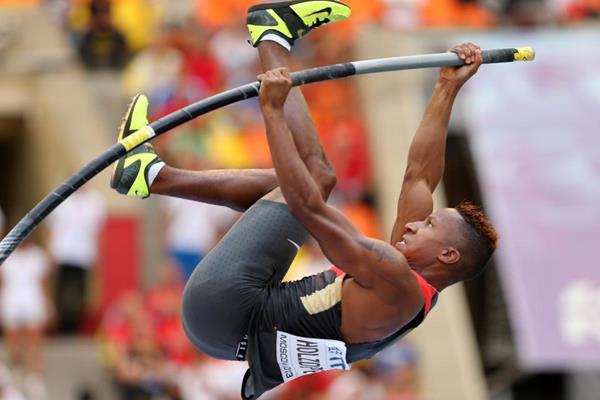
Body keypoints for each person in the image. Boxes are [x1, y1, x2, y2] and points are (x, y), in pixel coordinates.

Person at [110, 1, 498, 398]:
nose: (416, 222)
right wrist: (447, 87)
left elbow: (305, 205)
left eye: (429, 225)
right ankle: (151, 174)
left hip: (227, 310)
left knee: (315, 180)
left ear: (448, 255)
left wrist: (273, 113)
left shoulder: (396, 280)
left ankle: (269, 39)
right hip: (234, 327)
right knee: (319, 177)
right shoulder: (413, 284)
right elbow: (419, 175)